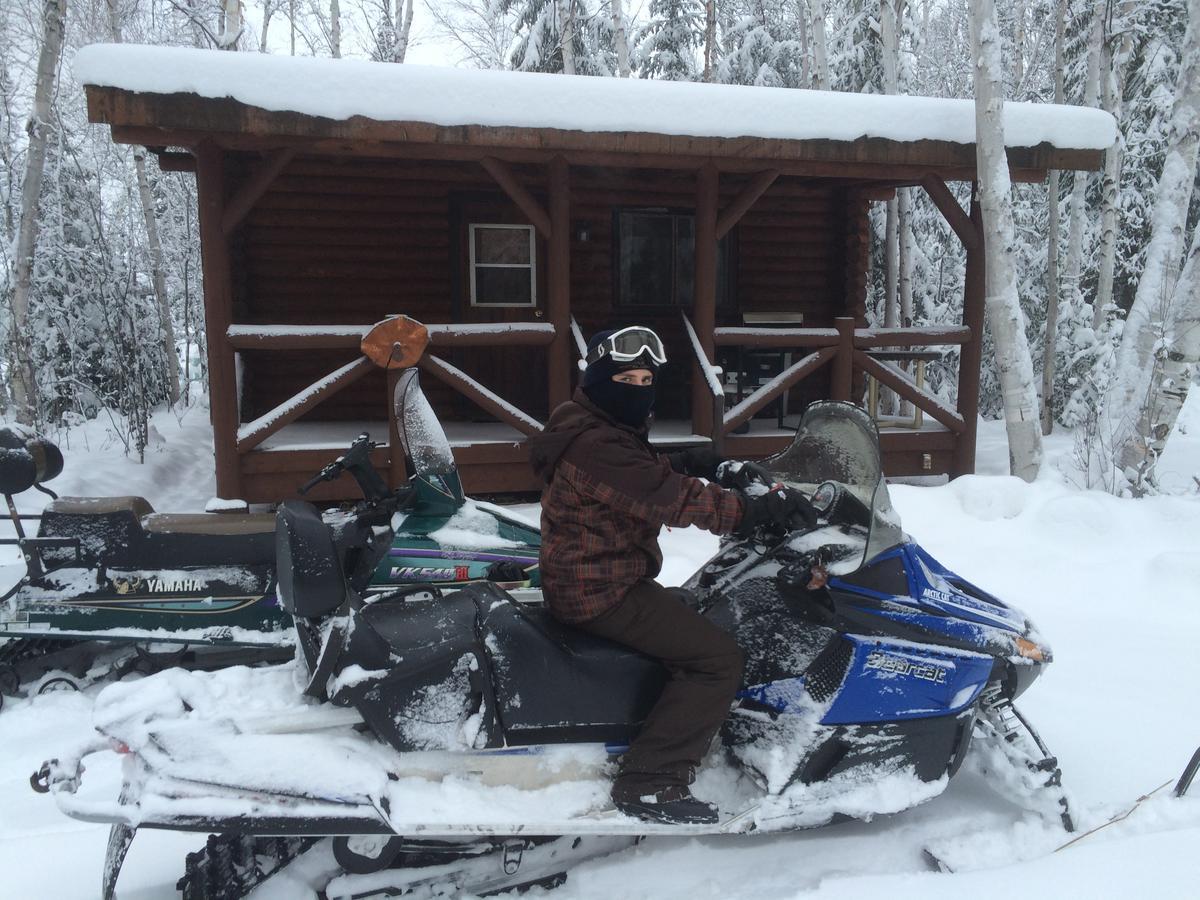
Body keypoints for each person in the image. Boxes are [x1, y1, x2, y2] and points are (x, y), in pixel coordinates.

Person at [526, 326, 816, 825]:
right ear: (599, 379)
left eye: (646, 378)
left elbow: (643, 471)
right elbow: (672, 498)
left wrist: (697, 459)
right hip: (600, 591)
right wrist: (754, 512)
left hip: (589, 577)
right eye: (626, 377)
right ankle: (651, 781)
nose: (638, 388)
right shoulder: (596, 444)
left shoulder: (584, 423)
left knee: (700, 608)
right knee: (718, 658)